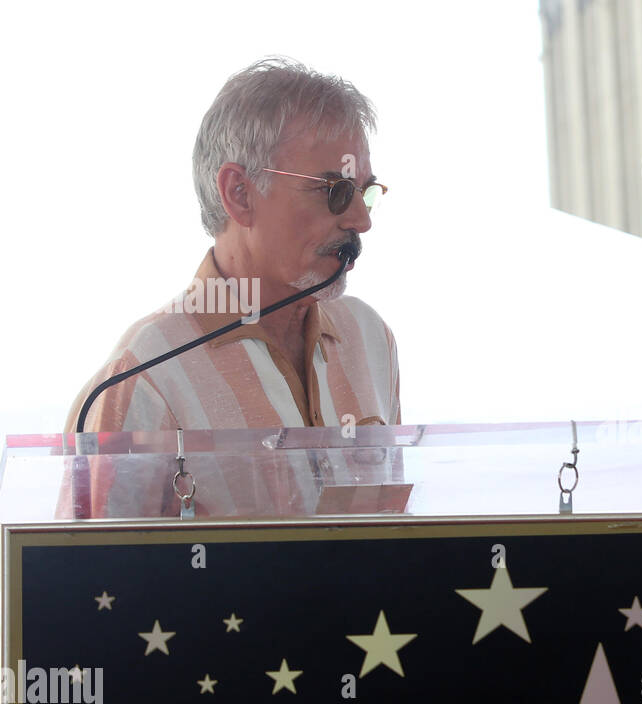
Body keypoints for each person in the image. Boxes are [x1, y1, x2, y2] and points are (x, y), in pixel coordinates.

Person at [65, 57, 400, 434]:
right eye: (335, 191)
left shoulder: (369, 336)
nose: (362, 221)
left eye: (365, 193)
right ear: (240, 194)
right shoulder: (145, 373)